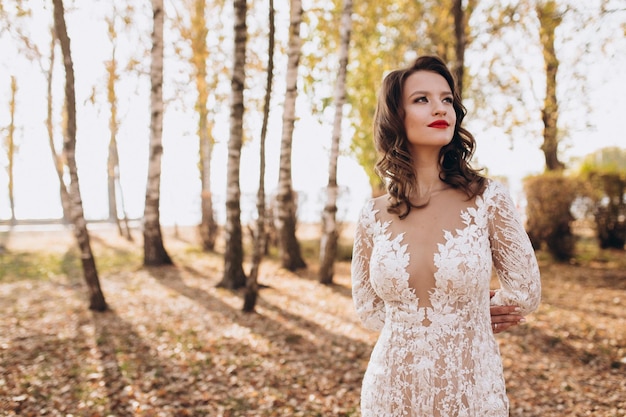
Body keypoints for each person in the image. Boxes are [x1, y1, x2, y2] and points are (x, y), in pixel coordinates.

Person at [351, 55, 541, 417]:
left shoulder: (488, 199)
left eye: (447, 99)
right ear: (396, 116)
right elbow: (368, 308)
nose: (440, 108)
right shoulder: (372, 215)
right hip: (390, 392)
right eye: (421, 99)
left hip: (470, 389)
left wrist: (468, 313)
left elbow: (525, 292)